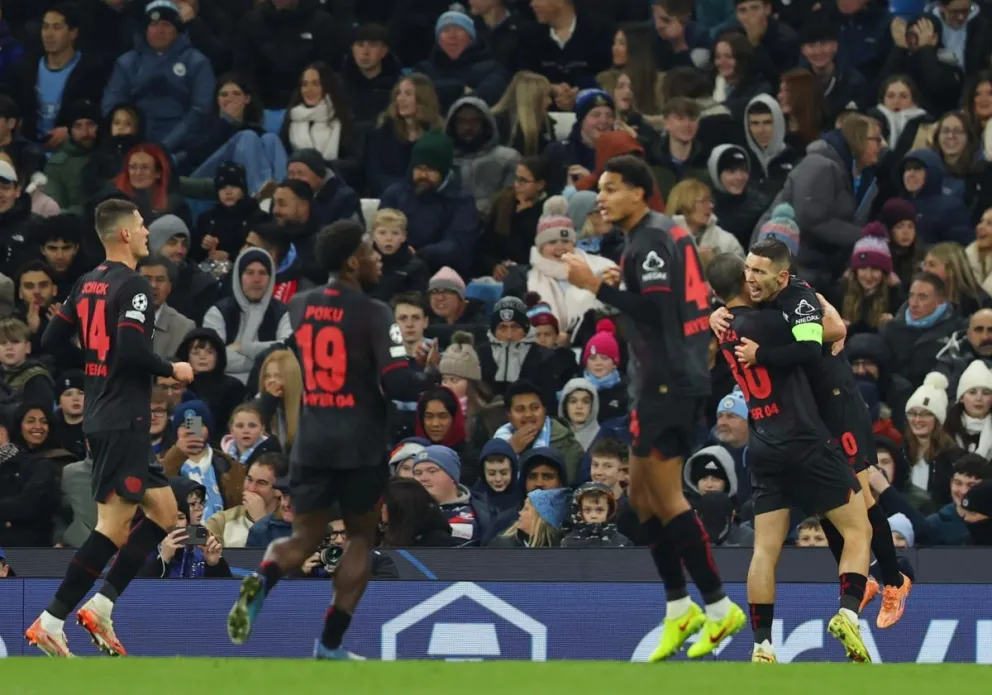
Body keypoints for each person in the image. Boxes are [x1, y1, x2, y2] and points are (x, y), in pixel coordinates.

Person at [563, 155, 744, 660]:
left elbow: (659, 309)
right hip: (668, 380)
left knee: (665, 499)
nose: (602, 197)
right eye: (600, 188)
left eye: (613, 188)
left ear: (640, 193)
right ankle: (678, 607)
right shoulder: (664, 234)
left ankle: (716, 604)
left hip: (668, 382)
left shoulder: (648, 240)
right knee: (640, 499)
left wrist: (596, 285)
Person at [227, 219, 432, 659]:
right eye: (369, 250)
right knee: (360, 539)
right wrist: (425, 374)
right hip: (359, 443)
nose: (377, 257)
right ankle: (330, 644)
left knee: (302, 537)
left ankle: (261, 578)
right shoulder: (376, 312)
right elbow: (397, 383)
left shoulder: (299, 306)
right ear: (352, 262)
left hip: (312, 442)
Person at [710, 240, 912, 629]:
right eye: (747, 271)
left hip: (838, 402)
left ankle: (893, 581)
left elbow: (834, 329)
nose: (750, 278)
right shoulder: (760, 304)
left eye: (757, 272)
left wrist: (761, 353)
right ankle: (864, 581)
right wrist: (714, 314)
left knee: (860, 496)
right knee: (830, 506)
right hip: (812, 410)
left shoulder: (798, 298)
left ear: (781, 275)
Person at [26, 198, 193, 657]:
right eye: (141, 225)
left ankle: (100, 605)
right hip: (123, 419)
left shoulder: (86, 283)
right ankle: (52, 619)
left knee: (164, 511)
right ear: (124, 234)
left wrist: (95, 363)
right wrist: (172, 367)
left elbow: (51, 340)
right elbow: (132, 350)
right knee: (114, 528)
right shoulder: (134, 285)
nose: (145, 231)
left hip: (105, 413)